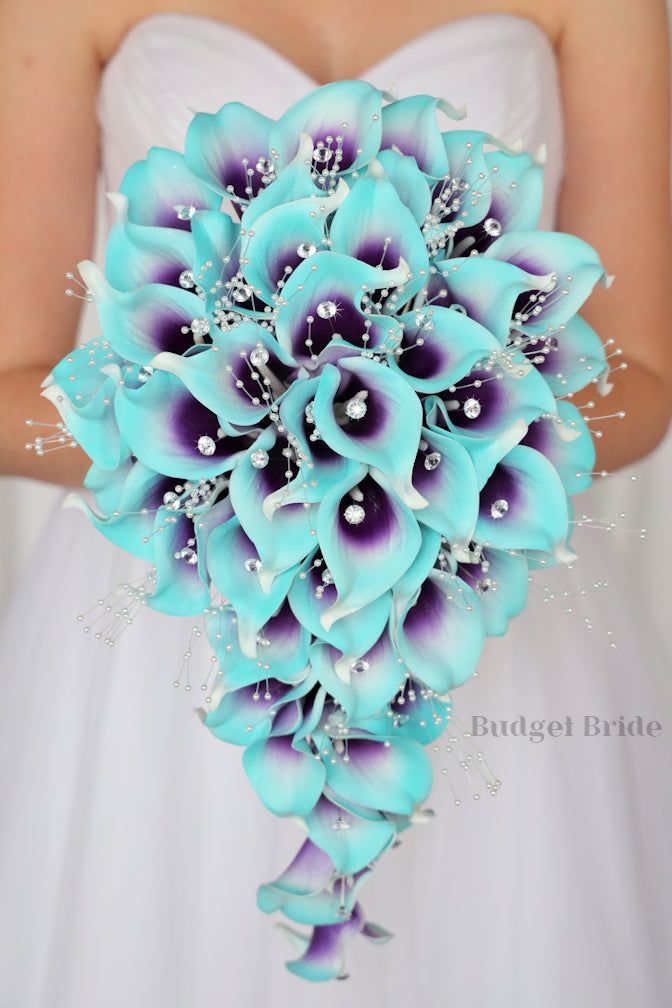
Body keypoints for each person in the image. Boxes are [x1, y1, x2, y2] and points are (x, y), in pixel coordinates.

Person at [0, 1, 670, 1005]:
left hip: (477, 586)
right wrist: (229, 445)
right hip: (177, 608)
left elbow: (644, 380)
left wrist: (452, 440)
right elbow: (13, 378)